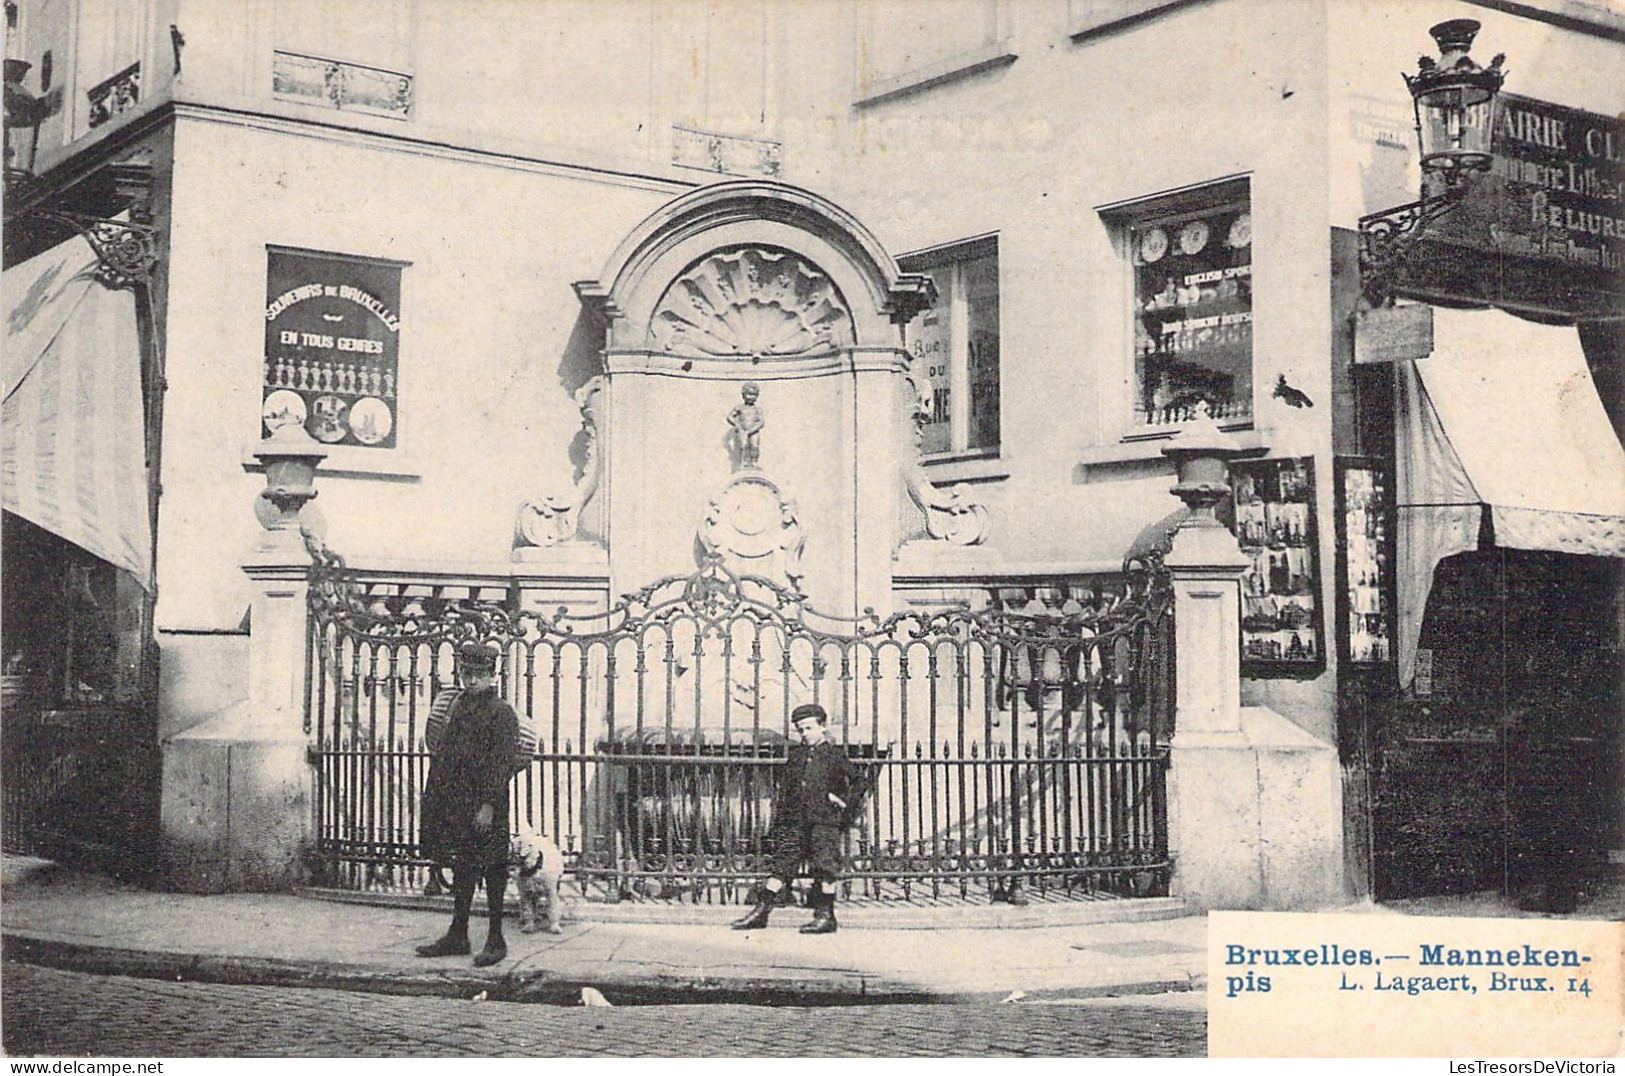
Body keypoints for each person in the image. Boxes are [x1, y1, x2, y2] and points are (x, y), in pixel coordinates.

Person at [416, 641, 519, 966]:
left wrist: (488, 805)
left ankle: (496, 938)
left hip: (486, 805)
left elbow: (503, 763)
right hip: (456, 801)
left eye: (480, 674)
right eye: (467, 673)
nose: (472, 680)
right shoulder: (457, 706)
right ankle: (458, 934)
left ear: (492, 675)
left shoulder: (501, 713)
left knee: (492, 869)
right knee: (462, 867)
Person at [731, 702, 859, 935]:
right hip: (796, 822)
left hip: (824, 821)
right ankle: (761, 913)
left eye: (809, 728)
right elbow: (786, 790)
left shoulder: (834, 755)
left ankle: (825, 916)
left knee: (825, 867)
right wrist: (781, 821)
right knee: (782, 865)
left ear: (823, 726)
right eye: (800, 730)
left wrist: (842, 803)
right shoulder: (797, 755)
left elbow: (859, 782)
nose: (805, 734)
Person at [727, 381, 764, 468]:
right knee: (743, 446)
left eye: (754, 395)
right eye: (749, 394)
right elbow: (729, 417)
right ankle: (743, 462)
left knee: (754, 446)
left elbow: (761, 422)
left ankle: (754, 462)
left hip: (754, 431)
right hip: (742, 430)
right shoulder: (739, 408)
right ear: (743, 395)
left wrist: (752, 430)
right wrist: (737, 425)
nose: (752, 397)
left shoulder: (757, 409)